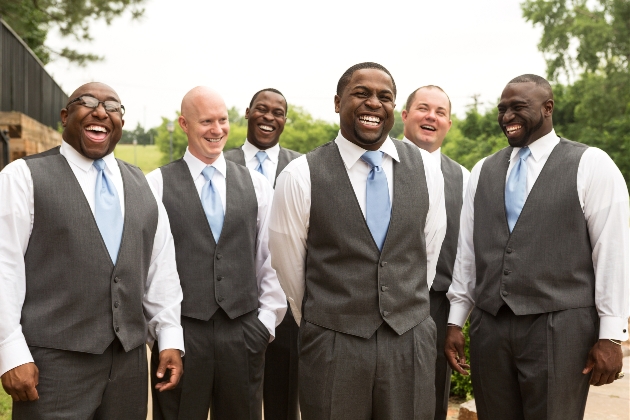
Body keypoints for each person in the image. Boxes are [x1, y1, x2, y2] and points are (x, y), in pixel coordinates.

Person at [269, 62, 447, 420]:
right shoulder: (300, 175)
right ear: (338, 103)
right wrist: (330, 320)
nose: (373, 104)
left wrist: (402, 306)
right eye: (361, 94)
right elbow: (288, 268)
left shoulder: (427, 169)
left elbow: (427, 249)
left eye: (385, 97)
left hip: (409, 342)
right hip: (333, 345)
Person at [445, 74, 629, 420]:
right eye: (502, 109)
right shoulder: (483, 170)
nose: (507, 116)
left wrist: (611, 335)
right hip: (491, 328)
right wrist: (456, 322)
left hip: (561, 328)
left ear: (547, 108)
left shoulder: (592, 164)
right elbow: (468, 254)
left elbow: (613, 253)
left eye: (518, 107)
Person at [0, 82, 184, 420]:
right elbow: (4, 268)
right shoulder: (23, 177)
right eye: (87, 102)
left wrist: (169, 335)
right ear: (65, 116)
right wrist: (10, 351)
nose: (100, 111)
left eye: (112, 106)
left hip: (127, 366)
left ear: (121, 123)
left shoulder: (144, 186)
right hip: (52, 367)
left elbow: (161, 268)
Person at [146, 86, 286, 420]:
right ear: (184, 124)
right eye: (206, 121)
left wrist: (265, 323)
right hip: (182, 333)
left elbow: (272, 259)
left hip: (243, 331)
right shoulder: (156, 184)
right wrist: (167, 335)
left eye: (222, 120)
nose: (217, 129)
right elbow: (152, 267)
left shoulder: (256, 185)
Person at [224, 87, 302, 420]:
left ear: (285, 120)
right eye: (262, 109)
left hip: (288, 302)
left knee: (284, 398)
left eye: (278, 112)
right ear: (247, 112)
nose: (269, 117)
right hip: (232, 305)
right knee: (235, 400)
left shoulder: (300, 167)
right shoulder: (221, 163)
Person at [401, 85, 470, 420]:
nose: (431, 116)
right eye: (423, 108)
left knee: (432, 403)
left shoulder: (466, 179)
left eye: (440, 112)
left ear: (448, 124)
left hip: (439, 307)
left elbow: (469, 254)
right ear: (404, 115)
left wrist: (456, 320)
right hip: (384, 304)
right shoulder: (375, 166)